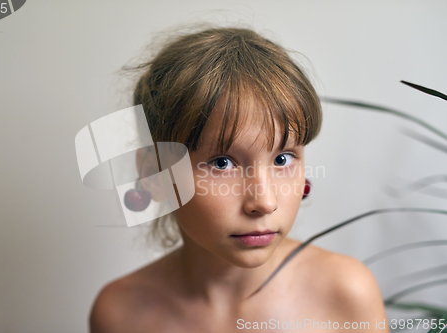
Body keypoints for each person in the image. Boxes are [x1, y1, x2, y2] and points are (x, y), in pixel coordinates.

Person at [89, 26, 389, 333]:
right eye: (222, 163)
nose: (265, 202)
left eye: (283, 158)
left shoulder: (346, 293)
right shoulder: (120, 314)